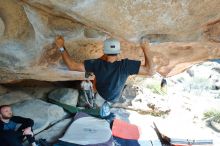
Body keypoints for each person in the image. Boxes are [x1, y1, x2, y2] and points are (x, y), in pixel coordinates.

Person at [55, 36, 154, 117]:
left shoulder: (97, 64)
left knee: (94, 75)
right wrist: (145, 47)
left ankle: (93, 84)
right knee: (96, 76)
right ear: (119, 52)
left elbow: (72, 66)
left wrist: (61, 46)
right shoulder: (125, 66)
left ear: (104, 51)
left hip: (101, 93)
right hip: (112, 96)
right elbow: (150, 71)